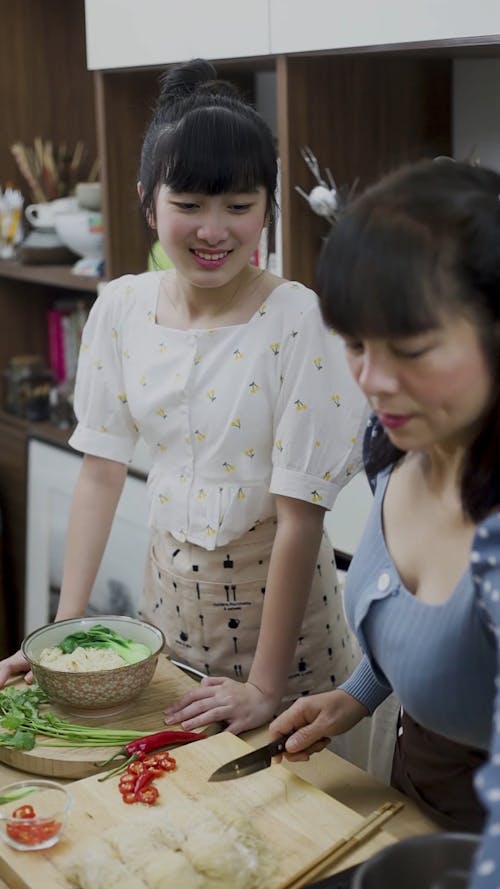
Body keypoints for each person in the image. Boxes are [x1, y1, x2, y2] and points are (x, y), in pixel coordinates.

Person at [0, 59, 367, 738]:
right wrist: (55, 642)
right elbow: (101, 474)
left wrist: (262, 687)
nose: (213, 230)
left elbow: (300, 518)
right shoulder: (121, 308)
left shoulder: (298, 319)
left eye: (239, 205)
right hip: (167, 627)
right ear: (149, 200)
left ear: (267, 207)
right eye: (189, 205)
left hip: (287, 654)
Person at [269, 158, 500, 887]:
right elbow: (433, 628)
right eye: (357, 344)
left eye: (411, 348)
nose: (373, 380)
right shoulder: (400, 445)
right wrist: (359, 691)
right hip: (418, 784)